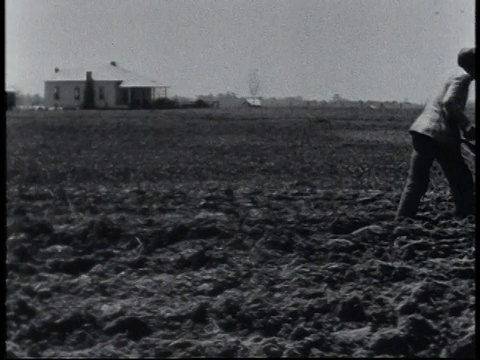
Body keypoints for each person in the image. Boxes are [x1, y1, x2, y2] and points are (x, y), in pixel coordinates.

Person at [395, 47, 476, 220]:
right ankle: (466, 217)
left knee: (416, 180)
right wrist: (466, 125)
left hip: (422, 131)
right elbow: (449, 102)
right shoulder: (463, 78)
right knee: (461, 177)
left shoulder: (451, 75)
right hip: (440, 136)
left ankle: (401, 220)